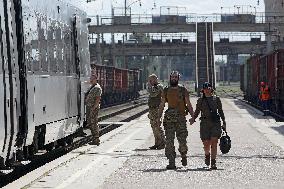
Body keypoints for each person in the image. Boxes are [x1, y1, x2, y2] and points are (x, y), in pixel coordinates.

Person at [159, 71, 194, 169]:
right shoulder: (166, 90)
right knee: (169, 141)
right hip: (169, 119)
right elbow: (162, 104)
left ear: (178, 78)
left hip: (181, 119)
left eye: (175, 77)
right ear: (170, 78)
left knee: (182, 140)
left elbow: (188, 104)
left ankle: (183, 154)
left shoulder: (183, 90)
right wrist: (158, 117)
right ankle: (171, 162)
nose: (173, 78)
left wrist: (193, 116)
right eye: (172, 77)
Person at [190, 82, 226, 169]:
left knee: (214, 141)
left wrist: (224, 122)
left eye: (208, 88)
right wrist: (193, 118)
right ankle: (207, 154)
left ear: (211, 89)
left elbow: (220, 111)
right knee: (206, 143)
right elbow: (197, 111)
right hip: (204, 123)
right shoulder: (200, 100)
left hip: (215, 123)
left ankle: (213, 162)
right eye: (205, 88)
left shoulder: (216, 99)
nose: (207, 90)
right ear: (203, 90)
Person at [147, 74, 165, 150]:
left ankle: (162, 142)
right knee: (153, 127)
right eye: (149, 80)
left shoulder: (159, 86)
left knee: (157, 126)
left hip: (157, 109)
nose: (150, 82)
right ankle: (157, 143)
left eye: (151, 80)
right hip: (152, 109)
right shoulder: (154, 87)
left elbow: (153, 94)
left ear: (155, 80)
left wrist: (149, 86)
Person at [85, 71, 102, 145]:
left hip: (93, 108)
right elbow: (86, 83)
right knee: (90, 122)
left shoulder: (97, 88)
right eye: (90, 79)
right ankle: (94, 139)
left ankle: (96, 139)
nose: (90, 80)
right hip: (90, 107)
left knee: (93, 123)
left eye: (92, 79)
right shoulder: (92, 86)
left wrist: (93, 108)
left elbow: (97, 99)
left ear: (95, 79)